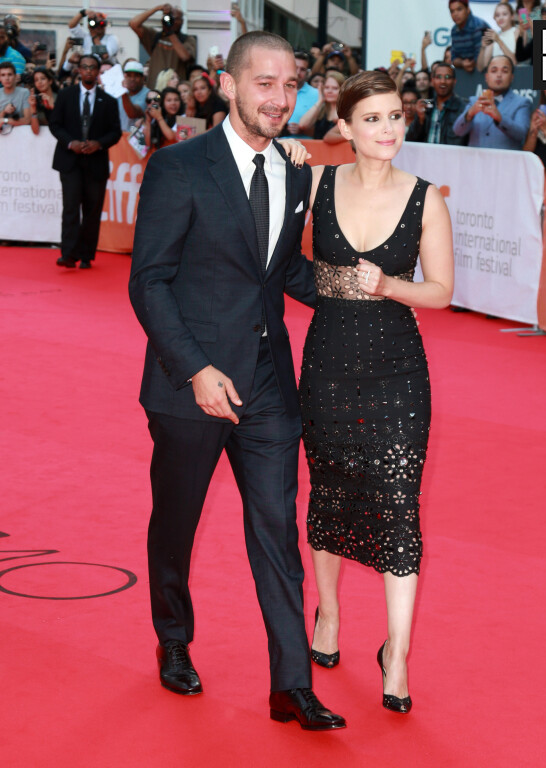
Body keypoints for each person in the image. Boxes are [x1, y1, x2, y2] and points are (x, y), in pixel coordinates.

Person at [128, 30, 346, 731]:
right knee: (177, 523)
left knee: (276, 533)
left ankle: (292, 684)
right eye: (264, 83)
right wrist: (195, 368)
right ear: (226, 85)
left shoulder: (295, 171)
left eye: (291, 85)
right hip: (190, 385)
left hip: (269, 387)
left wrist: (358, 289)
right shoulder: (179, 167)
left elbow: (280, 274)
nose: (280, 98)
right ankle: (173, 638)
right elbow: (149, 282)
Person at [298, 69, 453, 714]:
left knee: (397, 502)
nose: (388, 129)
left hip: (397, 373)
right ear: (345, 127)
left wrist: (388, 286)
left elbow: (440, 293)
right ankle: (328, 616)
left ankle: (398, 653)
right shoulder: (317, 183)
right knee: (331, 488)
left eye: (395, 116)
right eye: (372, 119)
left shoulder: (426, 199)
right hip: (328, 364)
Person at [49, 54, 122, 269]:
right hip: (69, 160)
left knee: (92, 210)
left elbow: (115, 132)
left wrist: (99, 144)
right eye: (84, 67)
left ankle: (87, 255)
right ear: (79, 70)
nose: (88, 71)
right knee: (71, 208)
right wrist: (70, 143)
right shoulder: (65, 95)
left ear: (98, 71)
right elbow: (55, 125)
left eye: (92, 68)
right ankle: (68, 254)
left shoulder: (108, 101)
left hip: (96, 162)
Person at [452, 55, 531, 150]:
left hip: (506, 163)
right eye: (494, 71)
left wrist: (500, 118)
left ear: (512, 77)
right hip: (476, 162)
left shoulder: (522, 103)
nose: (499, 75)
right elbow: (457, 131)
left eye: (504, 71)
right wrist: (470, 113)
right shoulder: (475, 101)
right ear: (486, 77)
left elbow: (521, 135)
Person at [129, 5, 196, 88]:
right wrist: (157, 8)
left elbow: (185, 57)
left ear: (182, 21)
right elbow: (133, 23)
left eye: (176, 18)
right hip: (154, 90)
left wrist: (170, 32)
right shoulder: (155, 36)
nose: (173, 21)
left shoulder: (187, 39)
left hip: (175, 93)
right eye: (170, 18)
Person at [406, 61, 467, 146]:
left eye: (447, 77)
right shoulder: (426, 107)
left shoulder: (463, 108)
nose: (443, 81)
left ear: (454, 81)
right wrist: (420, 120)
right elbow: (410, 140)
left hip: (451, 158)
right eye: (438, 77)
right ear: (432, 81)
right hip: (426, 158)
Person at [282, 51, 319, 139]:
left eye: (302, 69)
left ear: (307, 72)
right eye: (295, 67)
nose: (298, 72)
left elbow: (322, 129)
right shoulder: (276, 90)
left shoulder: (316, 94)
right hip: (275, 146)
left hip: (305, 148)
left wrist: (302, 129)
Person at [298, 70, 345, 140]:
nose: (329, 91)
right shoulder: (321, 109)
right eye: (326, 88)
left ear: (342, 90)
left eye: (335, 88)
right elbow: (302, 125)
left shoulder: (346, 112)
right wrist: (320, 101)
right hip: (317, 150)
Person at [449, 0, 488, 73]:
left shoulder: (479, 26)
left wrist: (469, 64)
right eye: (452, 11)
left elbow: (480, 57)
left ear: (468, 9)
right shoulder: (454, 31)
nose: (455, 14)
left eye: (459, 9)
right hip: (466, 75)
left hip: (486, 72)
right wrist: (462, 63)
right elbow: (454, 58)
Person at [477, 2, 518, 71]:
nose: (501, 18)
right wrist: (483, 47)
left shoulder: (517, 31)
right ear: (494, 18)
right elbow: (481, 68)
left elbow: (514, 62)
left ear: (512, 16)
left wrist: (498, 40)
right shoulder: (494, 36)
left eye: (504, 14)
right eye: (497, 15)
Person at [117, 60, 148, 132]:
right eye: (129, 75)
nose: (132, 79)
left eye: (136, 76)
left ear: (143, 78)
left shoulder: (148, 94)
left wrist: (123, 91)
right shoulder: (119, 93)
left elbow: (132, 113)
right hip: (119, 139)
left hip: (136, 140)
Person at [0, 61, 31, 128]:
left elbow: (27, 120)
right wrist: (4, 111)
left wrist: (5, 120)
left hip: (21, 134)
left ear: (15, 76)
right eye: (3, 75)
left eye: (10, 74)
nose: (7, 78)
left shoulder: (24, 92)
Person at [29, 67, 58, 134]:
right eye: (36, 80)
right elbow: (36, 131)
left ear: (50, 81)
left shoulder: (61, 97)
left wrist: (53, 106)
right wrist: (33, 109)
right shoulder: (36, 101)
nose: (39, 82)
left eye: (43, 78)